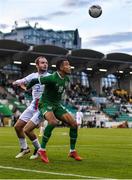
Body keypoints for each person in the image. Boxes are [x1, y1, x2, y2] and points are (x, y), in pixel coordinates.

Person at [26, 56, 82, 163]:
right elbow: (34, 80)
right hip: (45, 104)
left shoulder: (66, 78)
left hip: (56, 105)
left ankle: (72, 151)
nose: (69, 67)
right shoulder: (52, 78)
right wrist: (27, 88)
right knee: (53, 122)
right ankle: (42, 150)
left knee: (74, 124)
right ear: (61, 68)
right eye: (67, 65)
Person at [13, 56, 50, 159]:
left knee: (27, 130)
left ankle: (39, 150)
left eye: (46, 62)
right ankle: (24, 148)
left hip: (42, 107)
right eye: (42, 63)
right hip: (33, 105)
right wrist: (17, 82)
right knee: (17, 127)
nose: (45, 64)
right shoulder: (33, 75)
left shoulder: (50, 76)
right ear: (37, 65)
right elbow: (23, 80)